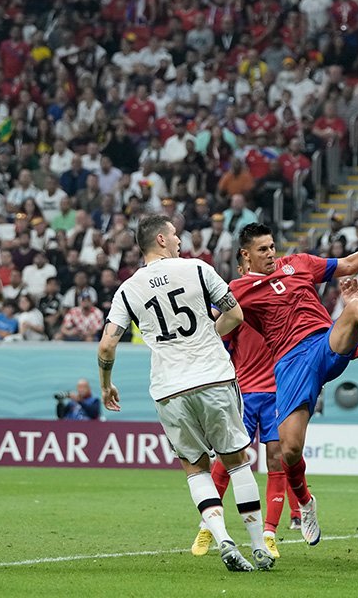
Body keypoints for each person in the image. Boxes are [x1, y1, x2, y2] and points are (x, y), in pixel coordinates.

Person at [98, 215, 273, 572]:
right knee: (237, 460)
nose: (180, 240)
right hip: (213, 377)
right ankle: (258, 546)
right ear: (161, 239)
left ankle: (223, 538)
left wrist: (106, 384)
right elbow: (235, 315)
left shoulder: (127, 290)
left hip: (169, 388)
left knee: (195, 468)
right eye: (175, 234)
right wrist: (208, 332)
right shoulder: (197, 269)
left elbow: (106, 346)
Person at [229, 220, 358, 546]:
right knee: (290, 451)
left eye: (272, 247)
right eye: (262, 249)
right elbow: (215, 319)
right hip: (290, 364)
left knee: (357, 303)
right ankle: (305, 502)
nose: (270, 254)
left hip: (323, 343)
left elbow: (348, 265)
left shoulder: (299, 263)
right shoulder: (237, 291)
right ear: (245, 255)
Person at [191, 253, 299, 559]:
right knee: (229, 459)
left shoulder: (284, 312)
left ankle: (268, 534)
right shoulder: (237, 314)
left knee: (276, 460)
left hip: (278, 394)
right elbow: (216, 344)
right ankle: (207, 526)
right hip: (245, 394)